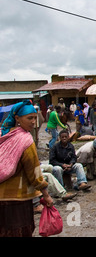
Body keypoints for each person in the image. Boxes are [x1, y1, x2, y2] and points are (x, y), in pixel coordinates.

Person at [0, 100, 54, 237]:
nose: (33, 122)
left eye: (35, 118)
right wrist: (46, 195)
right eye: (29, 118)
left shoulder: (4, 136)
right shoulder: (25, 140)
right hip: (18, 200)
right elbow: (34, 173)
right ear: (17, 118)